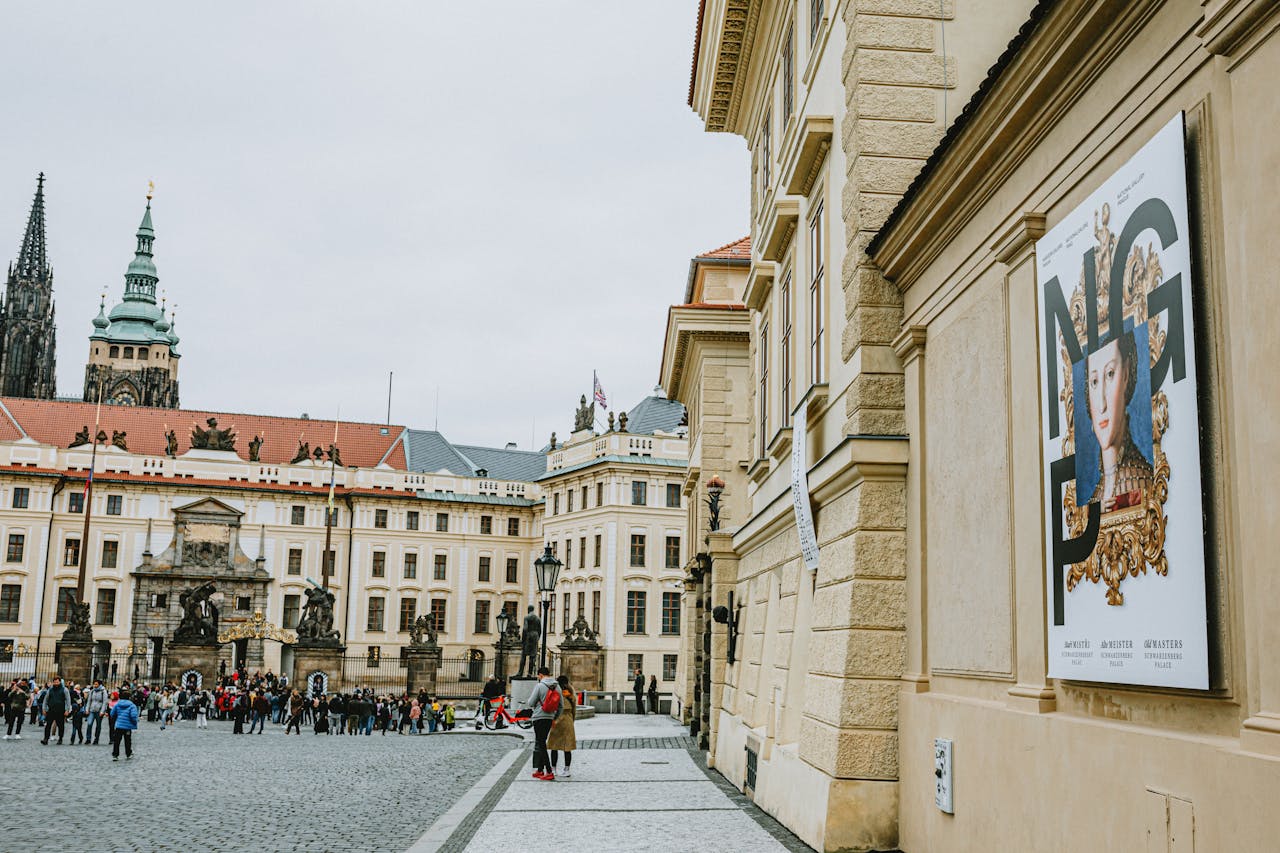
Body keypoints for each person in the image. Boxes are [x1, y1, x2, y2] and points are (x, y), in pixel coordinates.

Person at [1085, 331, 1154, 512]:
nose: (1101, 404)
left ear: (1125, 375)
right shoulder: (1095, 496)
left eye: (1110, 374)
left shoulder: (1143, 480)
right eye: (1093, 381)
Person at [525, 666, 561, 781]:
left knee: (541, 743)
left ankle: (549, 771)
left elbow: (531, 703)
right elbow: (561, 706)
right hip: (550, 717)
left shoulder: (540, 686)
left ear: (540, 675)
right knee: (542, 741)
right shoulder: (557, 686)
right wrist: (554, 717)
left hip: (539, 717)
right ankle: (540, 770)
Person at [547, 675, 577, 778]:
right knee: (567, 746)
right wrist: (572, 720)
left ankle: (553, 769)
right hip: (568, 719)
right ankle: (567, 769)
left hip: (557, 719)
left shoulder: (554, 691)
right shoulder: (570, 693)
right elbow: (574, 709)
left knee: (554, 746)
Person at [109, 689, 139, 761]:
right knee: (127, 740)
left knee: (117, 741)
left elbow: (112, 713)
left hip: (119, 725)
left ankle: (115, 754)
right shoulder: (132, 706)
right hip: (127, 726)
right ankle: (128, 753)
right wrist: (134, 723)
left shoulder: (117, 704)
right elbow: (133, 716)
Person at [40, 675, 71, 744]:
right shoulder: (50, 690)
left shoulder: (64, 689)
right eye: (54, 682)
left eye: (57, 682)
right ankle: (46, 739)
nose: (56, 683)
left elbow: (68, 701)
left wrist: (67, 710)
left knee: (60, 725)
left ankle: (60, 738)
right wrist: (44, 709)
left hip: (60, 710)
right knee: (48, 725)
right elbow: (46, 700)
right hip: (51, 710)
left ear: (60, 682)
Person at [82, 679, 108, 745]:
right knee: (89, 724)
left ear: (99, 684)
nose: (95, 685)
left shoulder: (103, 691)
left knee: (98, 725)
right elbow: (89, 701)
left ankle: (96, 739)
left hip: (99, 711)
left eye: (96, 684)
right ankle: (88, 739)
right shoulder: (92, 691)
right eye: (94, 684)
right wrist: (87, 709)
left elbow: (105, 702)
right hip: (92, 710)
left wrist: (102, 711)